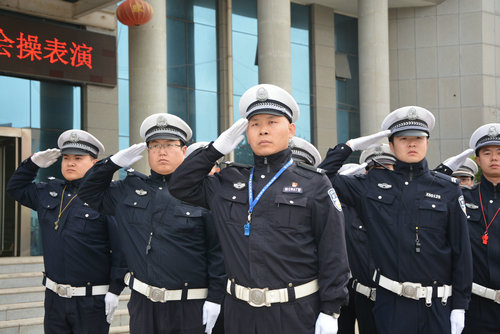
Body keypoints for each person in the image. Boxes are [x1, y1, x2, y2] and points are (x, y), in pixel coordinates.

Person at [168, 83, 350, 334]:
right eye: (254, 124)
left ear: (291, 130)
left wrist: (331, 310)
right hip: (239, 313)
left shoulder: (315, 183)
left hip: (294, 312)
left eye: (272, 122)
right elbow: (179, 186)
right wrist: (214, 150)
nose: (263, 130)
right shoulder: (228, 180)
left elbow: (334, 251)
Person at [320, 106, 473, 334]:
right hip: (391, 306)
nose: (412, 144)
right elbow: (321, 180)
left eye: (418, 138)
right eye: (403, 139)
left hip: (438, 305)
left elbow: (462, 251)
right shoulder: (371, 185)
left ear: (427, 143)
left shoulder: (447, 188)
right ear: (391, 145)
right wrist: (349, 147)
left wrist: (460, 306)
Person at [77, 113, 225, 334]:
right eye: (154, 146)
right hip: (144, 306)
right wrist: (111, 164)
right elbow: (87, 192)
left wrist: (216, 297)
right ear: (147, 151)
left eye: (169, 145)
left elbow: (218, 252)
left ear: (184, 150)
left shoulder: (202, 192)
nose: (161, 151)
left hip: (191, 306)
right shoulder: (128, 190)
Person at [6, 129, 127, 334]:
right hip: (54, 300)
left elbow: (121, 250)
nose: (70, 163)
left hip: (91, 302)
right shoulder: (50, 192)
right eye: (66, 158)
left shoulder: (105, 197)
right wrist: (32, 164)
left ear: (94, 163)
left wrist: (115, 290)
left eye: (78, 158)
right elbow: (15, 189)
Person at [462, 124, 500, 334]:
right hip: (475, 307)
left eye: (499, 153)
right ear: (477, 160)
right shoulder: (462, 198)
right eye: (487, 153)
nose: (494, 158)